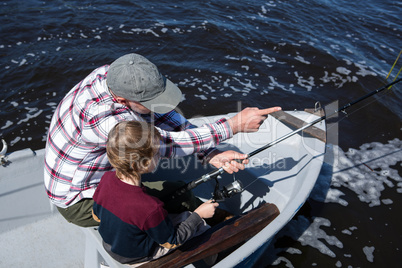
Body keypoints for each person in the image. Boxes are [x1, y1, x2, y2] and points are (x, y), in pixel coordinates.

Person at [44, 53, 281, 227]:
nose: (154, 104)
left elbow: (160, 114)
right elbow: (160, 145)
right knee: (168, 201)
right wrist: (233, 126)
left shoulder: (113, 75)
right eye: (146, 101)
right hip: (79, 199)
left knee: (174, 191)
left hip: (96, 175)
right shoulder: (102, 119)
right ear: (122, 100)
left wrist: (209, 152)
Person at [92, 121, 218, 266]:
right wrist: (198, 215)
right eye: (157, 154)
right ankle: (216, 261)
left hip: (110, 246)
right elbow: (172, 241)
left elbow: (97, 216)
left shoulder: (106, 179)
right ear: (140, 164)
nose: (161, 157)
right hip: (138, 256)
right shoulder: (150, 207)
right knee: (198, 224)